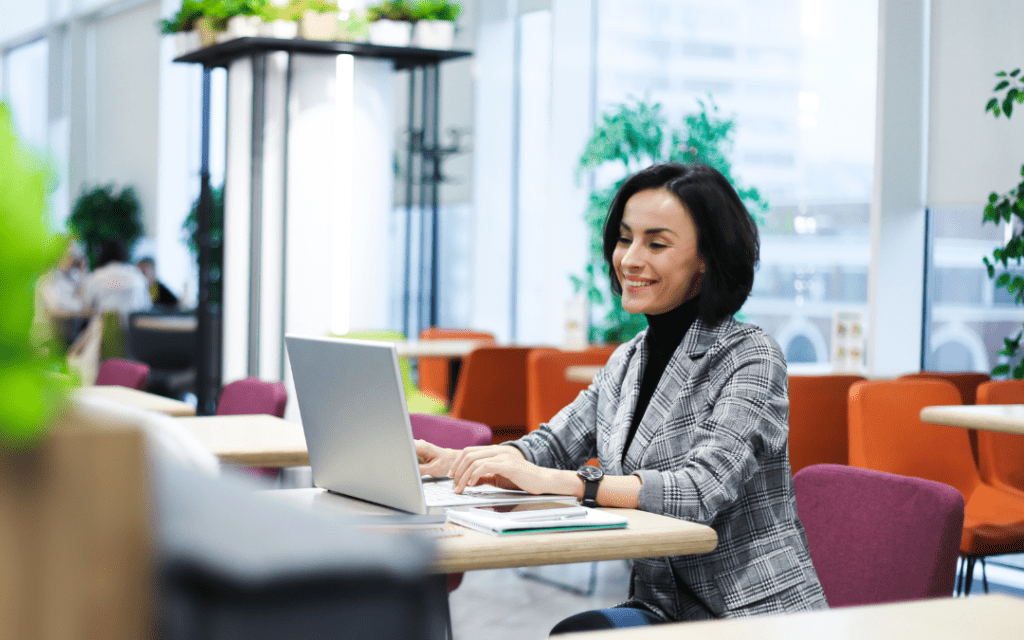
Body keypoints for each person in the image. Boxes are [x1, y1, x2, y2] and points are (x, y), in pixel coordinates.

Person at [416, 163, 828, 631]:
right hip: (664, 608)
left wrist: (576, 484)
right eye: (625, 238)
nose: (630, 259)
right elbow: (550, 445)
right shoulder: (627, 360)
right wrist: (459, 462)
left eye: (656, 243)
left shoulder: (750, 355)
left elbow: (700, 491)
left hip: (751, 616)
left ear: (706, 258)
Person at [83, 238, 151, 322]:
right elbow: (147, 306)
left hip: (104, 330)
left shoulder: (96, 276)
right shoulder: (137, 275)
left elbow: (86, 306)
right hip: (135, 331)